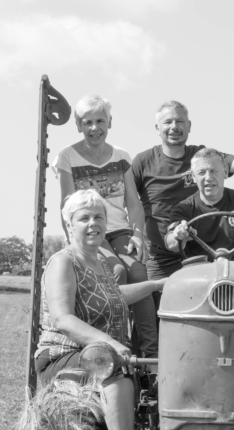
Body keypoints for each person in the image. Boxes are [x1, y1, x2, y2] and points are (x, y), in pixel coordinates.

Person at [35, 190, 166, 430]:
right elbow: (62, 319)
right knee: (110, 365)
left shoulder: (102, 263)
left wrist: (157, 285)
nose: (93, 223)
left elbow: (114, 295)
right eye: (84, 218)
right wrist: (111, 344)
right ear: (69, 224)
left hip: (98, 358)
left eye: (99, 217)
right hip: (63, 356)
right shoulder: (64, 261)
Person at [132, 100, 234, 302]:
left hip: (205, 261)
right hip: (163, 256)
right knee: (160, 315)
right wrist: (138, 234)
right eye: (168, 122)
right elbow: (129, 199)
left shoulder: (206, 158)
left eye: (180, 121)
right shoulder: (144, 162)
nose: (174, 127)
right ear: (158, 128)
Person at [52, 94, 158, 360]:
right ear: (77, 125)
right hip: (91, 230)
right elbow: (68, 204)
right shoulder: (68, 157)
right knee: (117, 271)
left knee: (138, 272)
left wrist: (138, 235)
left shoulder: (121, 156)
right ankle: (108, 346)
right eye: (87, 122)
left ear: (110, 122)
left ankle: (149, 352)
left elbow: (133, 203)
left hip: (120, 229)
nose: (94, 128)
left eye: (100, 121)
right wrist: (74, 246)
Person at [165, 149, 234, 261]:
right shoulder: (184, 208)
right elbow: (171, 244)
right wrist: (179, 235)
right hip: (199, 274)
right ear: (193, 177)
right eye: (201, 172)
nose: (208, 177)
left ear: (226, 172)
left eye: (213, 171)